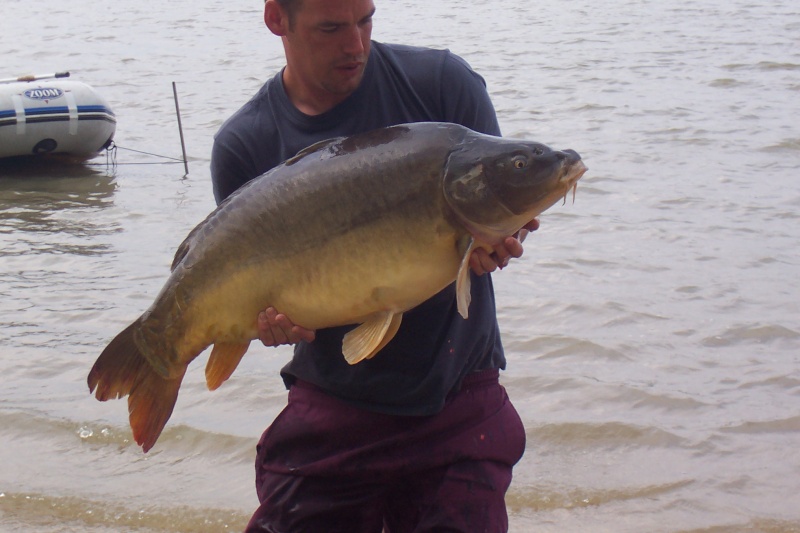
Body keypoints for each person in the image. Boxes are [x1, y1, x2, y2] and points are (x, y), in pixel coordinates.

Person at [210, 0, 538, 531]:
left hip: (456, 394)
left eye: (365, 20)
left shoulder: (443, 87)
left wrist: (505, 237)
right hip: (335, 400)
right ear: (277, 20)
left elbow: (500, 204)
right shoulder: (244, 143)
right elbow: (257, 296)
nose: (355, 45)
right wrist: (265, 323)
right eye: (332, 28)